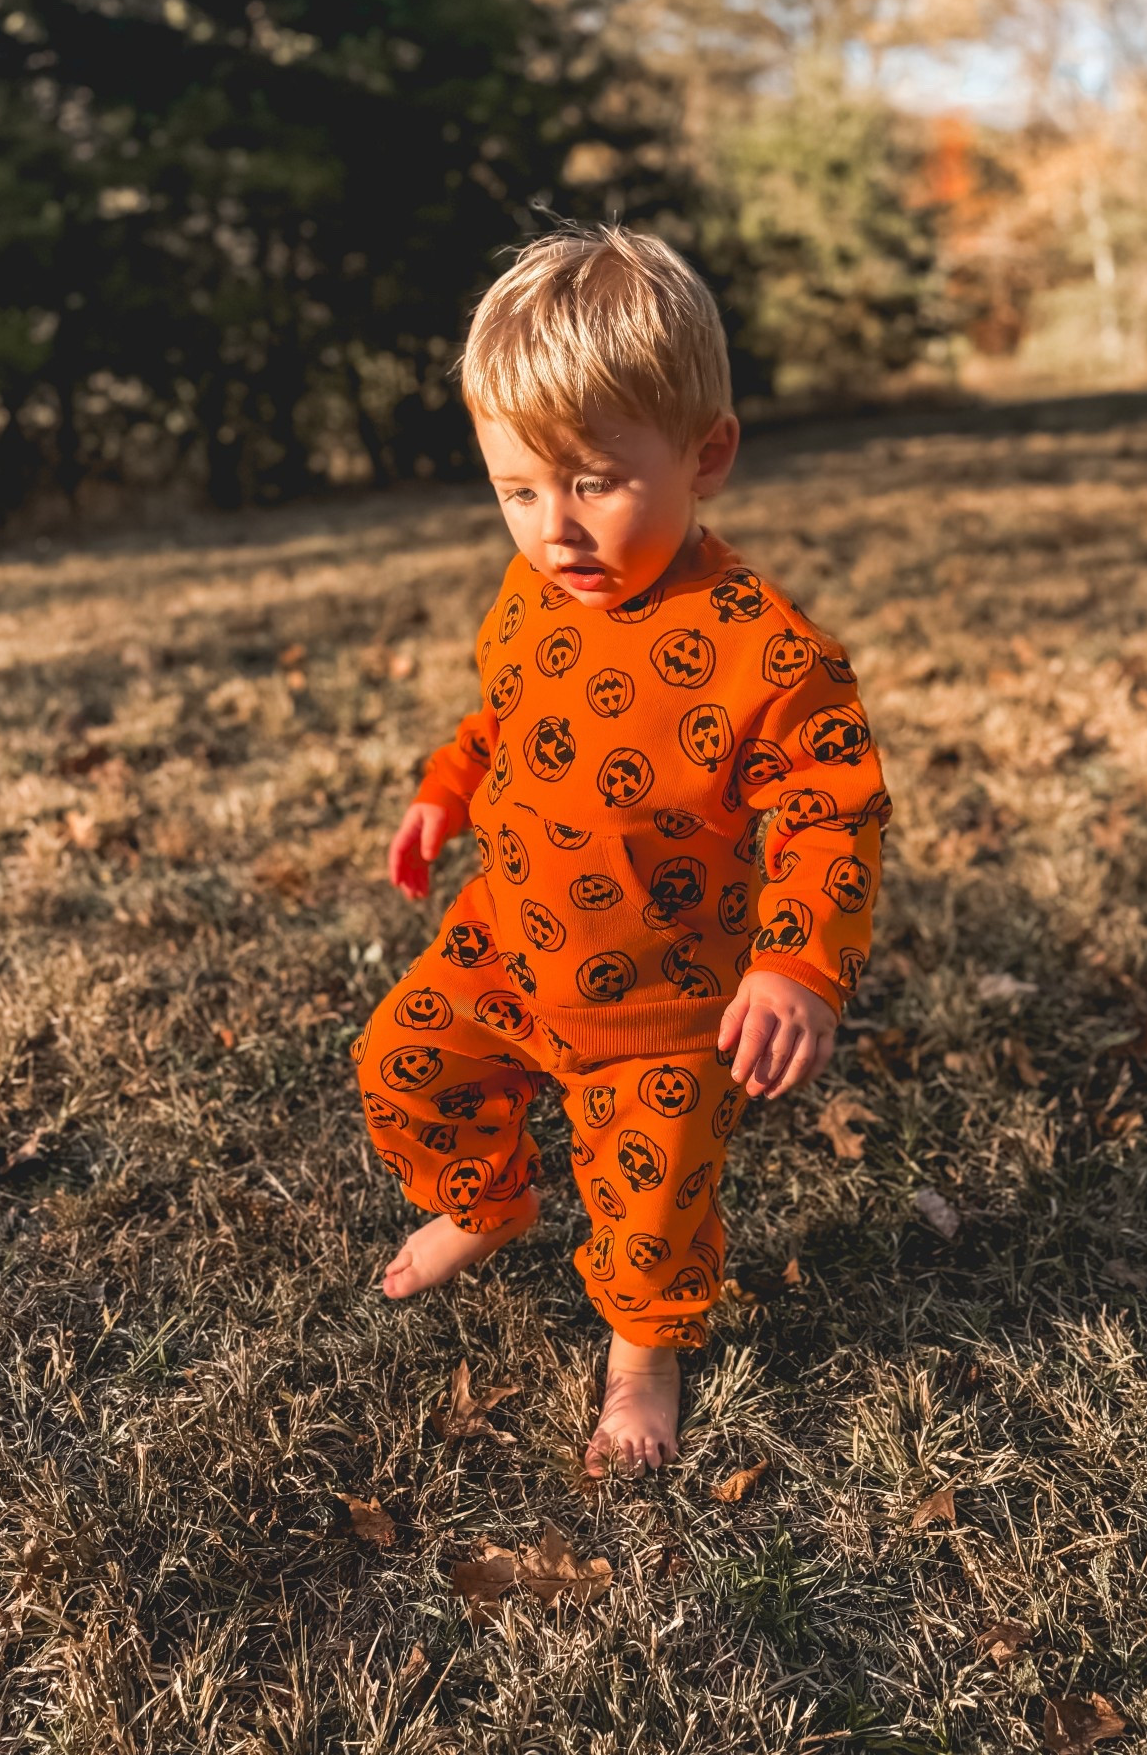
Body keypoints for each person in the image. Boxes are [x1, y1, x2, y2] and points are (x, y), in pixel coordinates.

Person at [348, 225, 891, 1477]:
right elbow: (503, 711)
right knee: (400, 1062)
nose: (555, 529)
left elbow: (831, 809)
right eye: (518, 490)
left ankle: (641, 1361)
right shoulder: (533, 591)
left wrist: (798, 965)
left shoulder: (766, 650)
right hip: (509, 937)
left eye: (592, 480)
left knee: (652, 1213)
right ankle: (490, 1200)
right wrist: (446, 789)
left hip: (664, 997)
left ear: (708, 455)